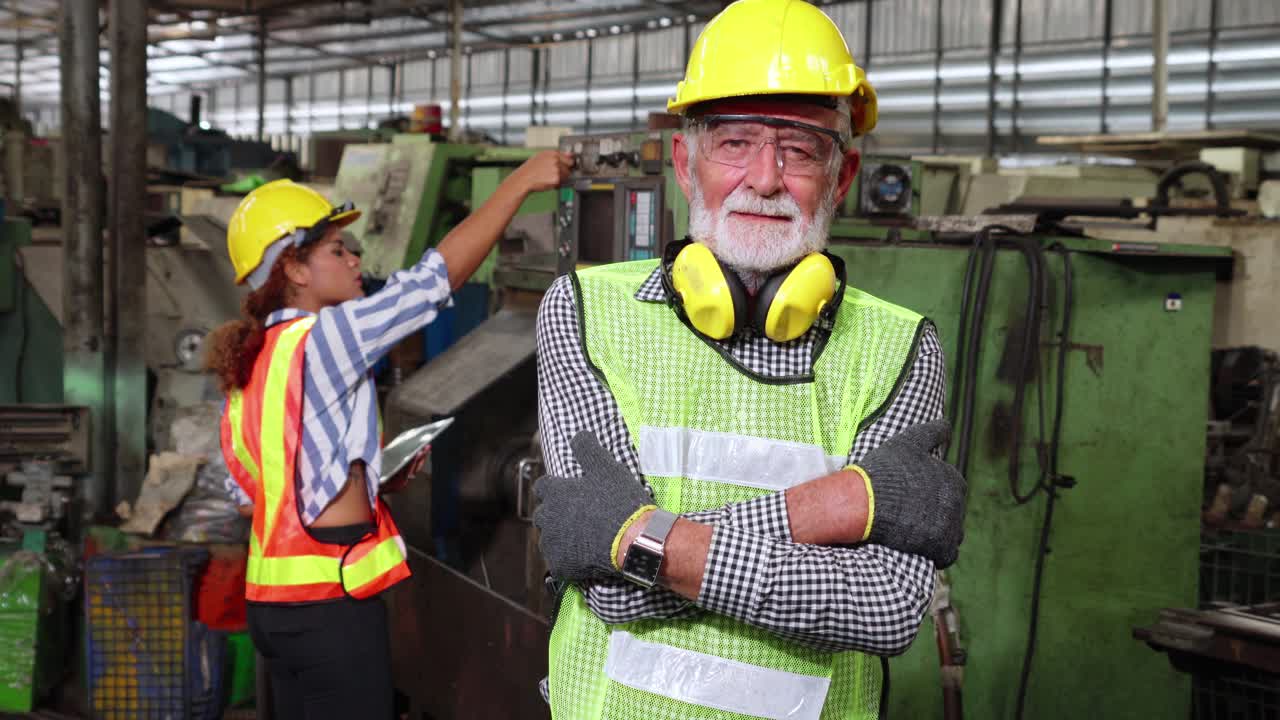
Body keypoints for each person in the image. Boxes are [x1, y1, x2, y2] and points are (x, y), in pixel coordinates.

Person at [531, 1, 966, 718]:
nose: (765, 178)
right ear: (685, 162)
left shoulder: (899, 346)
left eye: (800, 150)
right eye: (734, 142)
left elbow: (887, 609)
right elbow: (604, 589)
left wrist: (643, 539)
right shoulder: (586, 311)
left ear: (843, 173)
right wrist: (836, 506)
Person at [207, 150, 571, 720]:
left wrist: (367, 476)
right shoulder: (326, 337)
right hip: (331, 600)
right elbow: (433, 282)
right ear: (295, 270)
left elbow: (255, 487)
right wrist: (522, 182)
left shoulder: (251, 363)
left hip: (272, 608)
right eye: (336, 249)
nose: (356, 258)